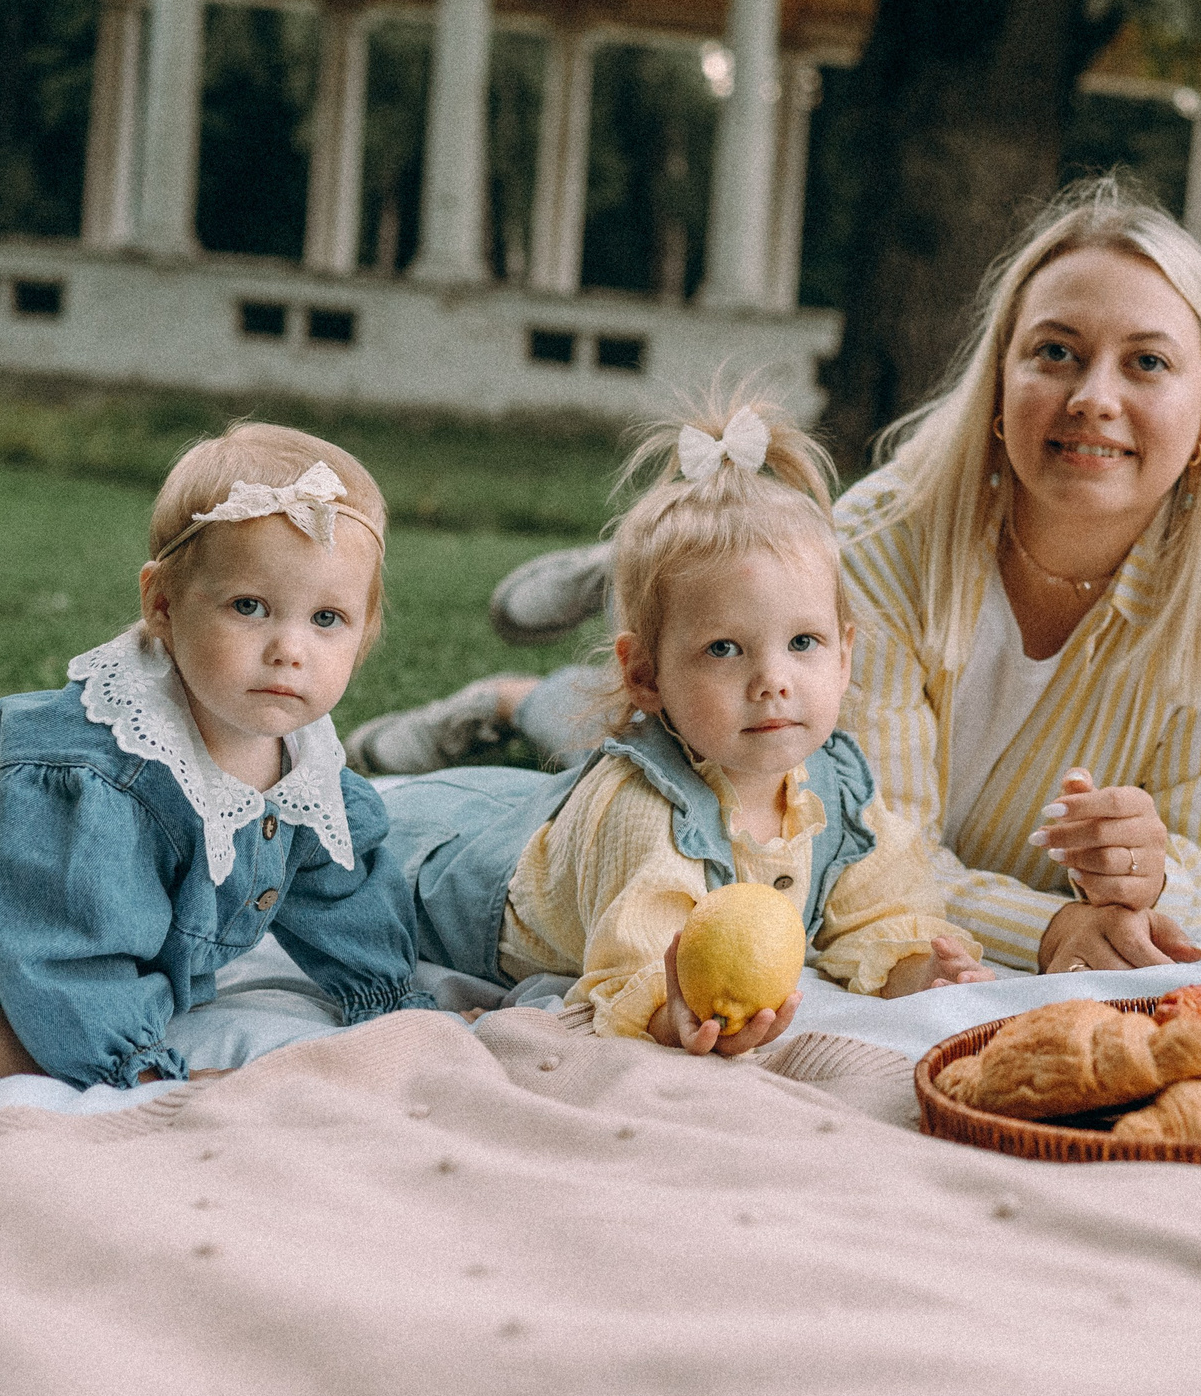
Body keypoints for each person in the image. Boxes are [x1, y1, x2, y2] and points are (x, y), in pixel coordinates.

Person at [355, 179, 1201, 975]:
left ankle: (530, 686)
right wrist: (1042, 931)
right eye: (1055, 352)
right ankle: (633, 583)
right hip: (757, 733)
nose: (1092, 397)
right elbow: (861, 833)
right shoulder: (883, 539)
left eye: (1148, 364)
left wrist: (1153, 874)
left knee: (724, 688)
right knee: (697, 736)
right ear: (998, 385)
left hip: (763, 706)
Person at [0, 424, 426, 1088]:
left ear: (364, 635)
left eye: (326, 619)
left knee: (63, 1000)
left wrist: (392, 1002)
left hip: (16, 908)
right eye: (249, 605)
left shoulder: (303, 772)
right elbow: (62, 941)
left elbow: (342, 889)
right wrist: (134, 1059)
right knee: (19, 1032)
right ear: (162, 604)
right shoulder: (104, 773)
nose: (289, 648)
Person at [379, 401, 991, 1056]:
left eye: (803, 642)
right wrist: (669, 1014)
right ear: (644, 675)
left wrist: (915, 968)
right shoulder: (645, 814)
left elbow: (880, 909)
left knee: (546, 789)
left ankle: (513, 698)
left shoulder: (838, 786)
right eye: (725, 648)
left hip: (544, 816)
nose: (773, 680)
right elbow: (638, 964)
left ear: (845, 655)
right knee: (369, 838)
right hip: (463, 867)